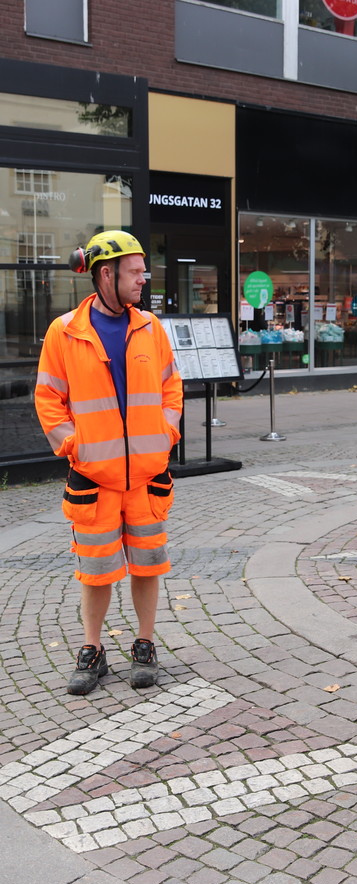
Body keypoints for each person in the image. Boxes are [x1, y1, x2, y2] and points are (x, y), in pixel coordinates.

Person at [34, 230, 183, 696]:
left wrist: (164, 436)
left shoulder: (151, 328)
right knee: (95, 570)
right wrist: (74, 445)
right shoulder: (65, 331)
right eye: (136, 271)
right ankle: (92, 650)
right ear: (106, 274)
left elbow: (171, 390)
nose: (144, 279)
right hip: (93, 478)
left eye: (143, 271)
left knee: (147, 565)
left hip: (145, 476)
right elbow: (48, 398)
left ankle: (143, 645)